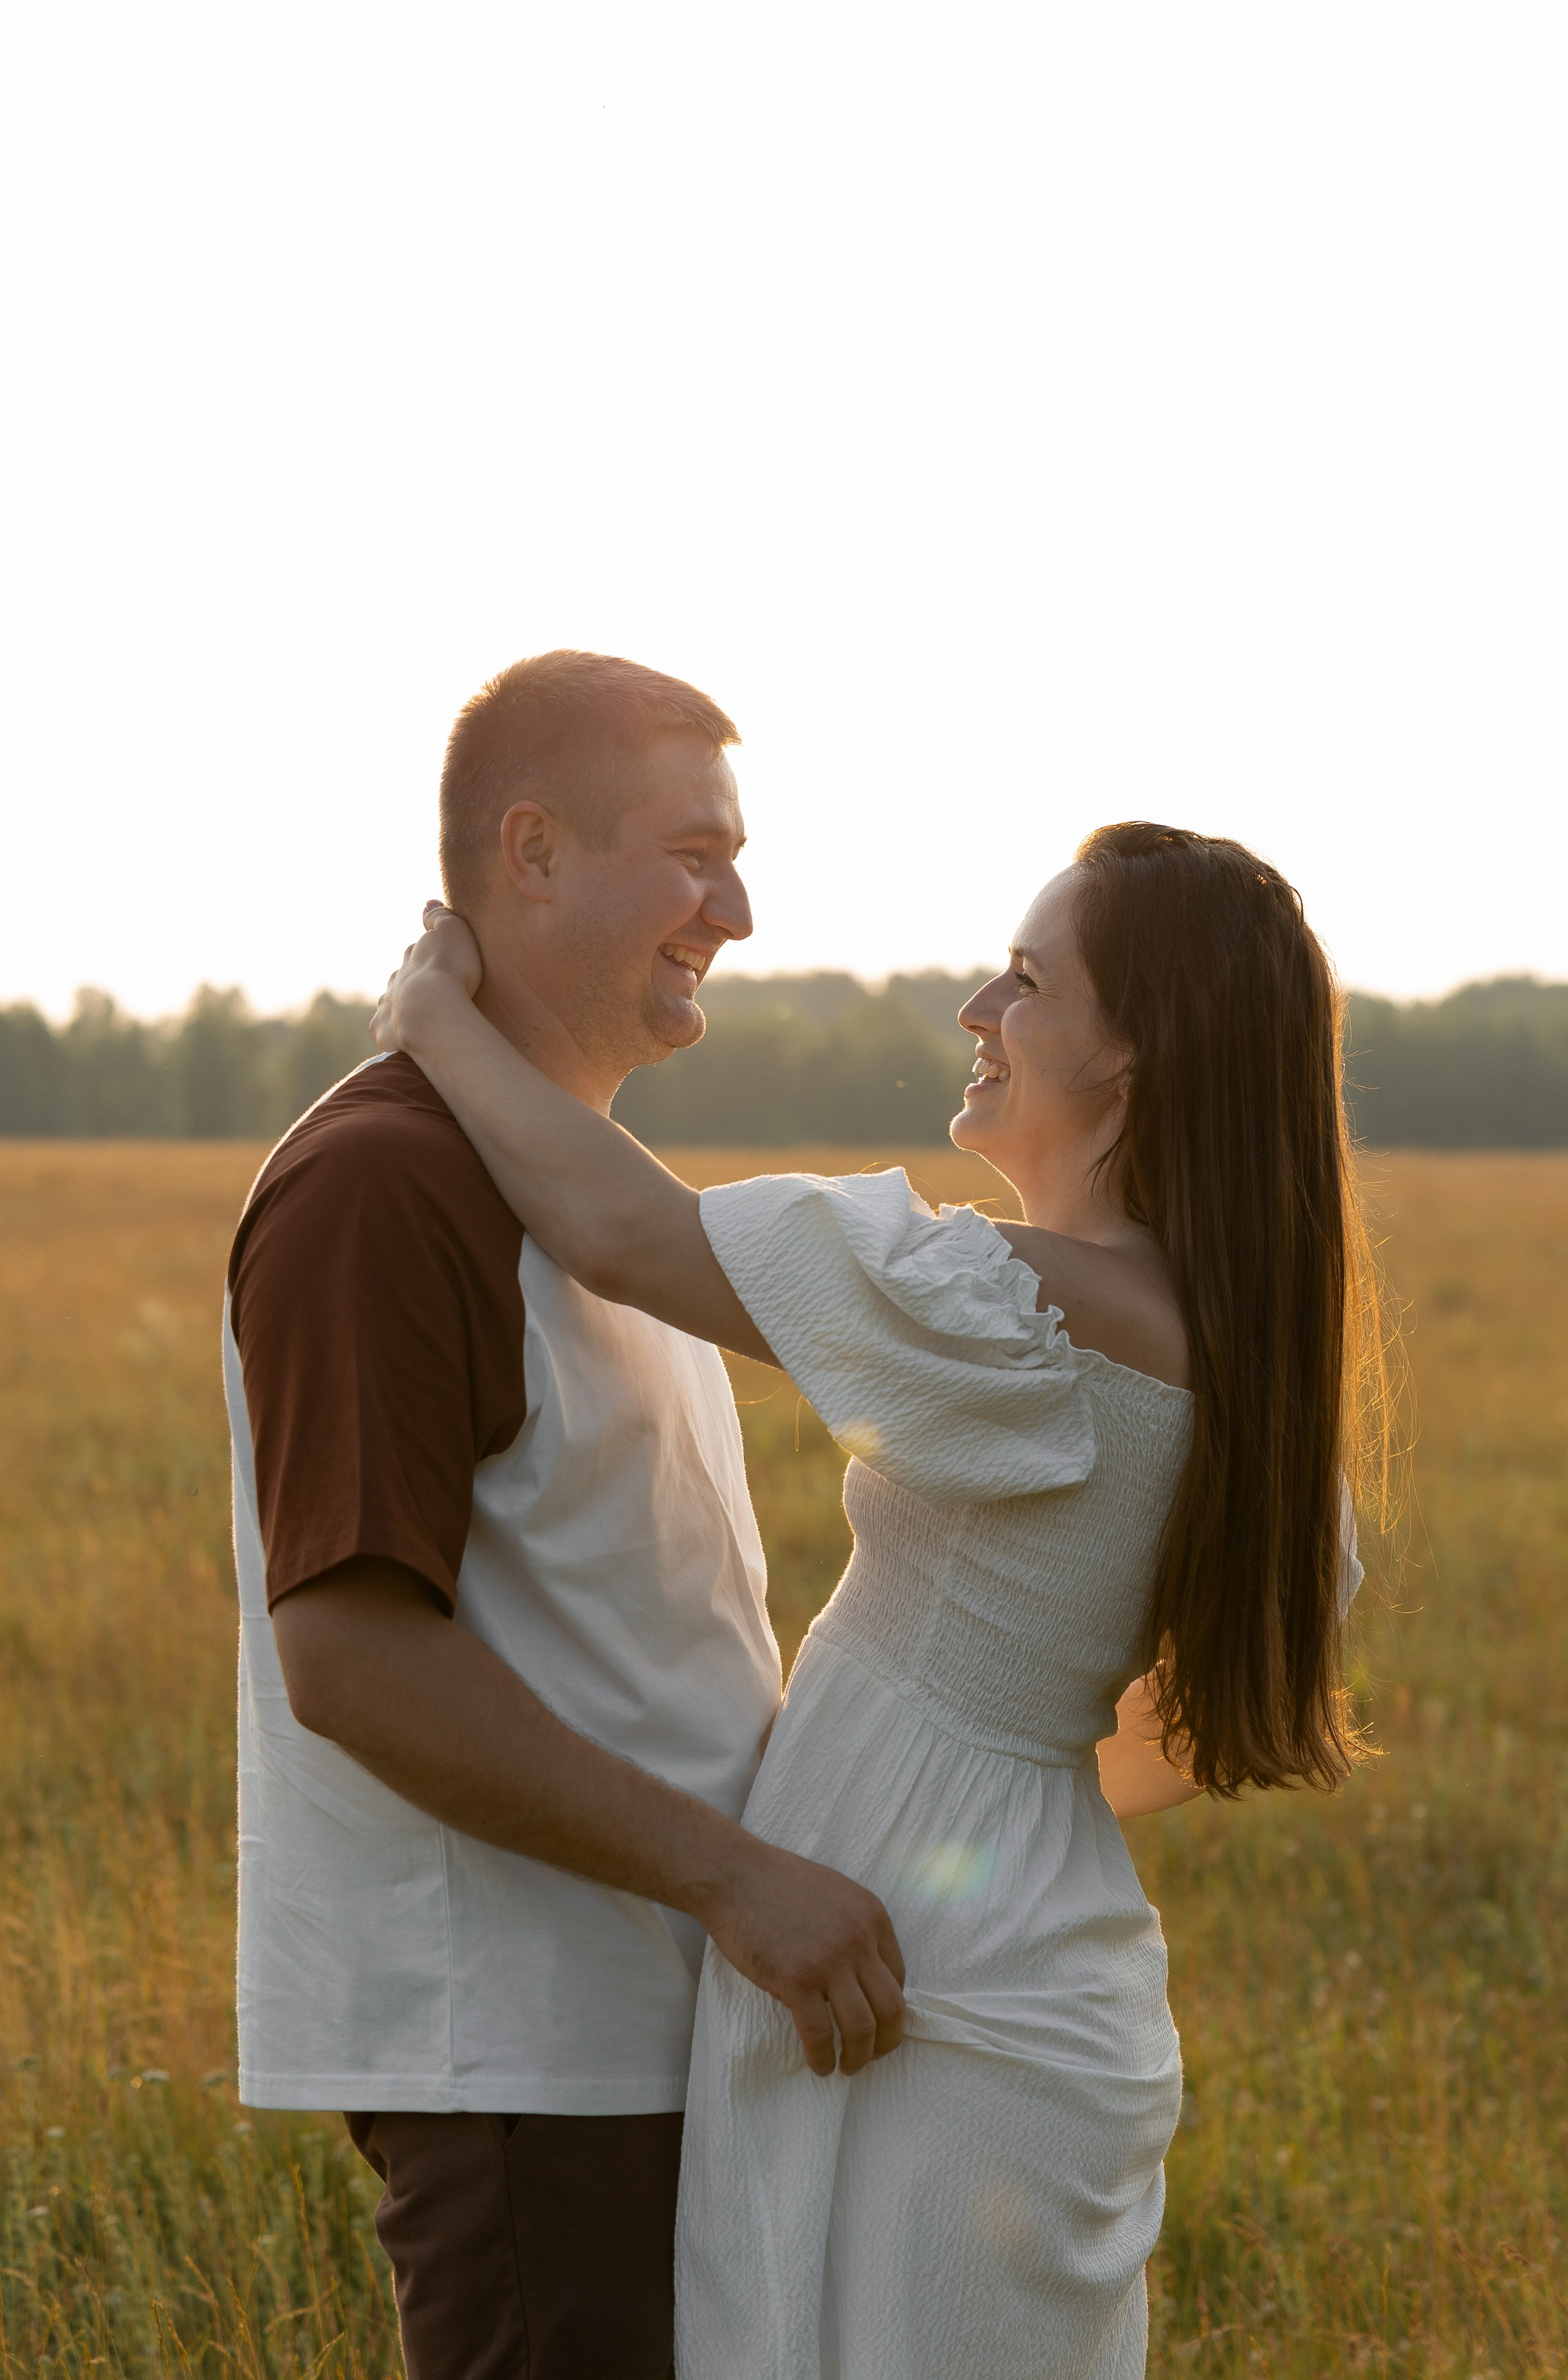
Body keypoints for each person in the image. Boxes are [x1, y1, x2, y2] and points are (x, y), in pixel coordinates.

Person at [372, 820, 1378, 2379]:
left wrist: (430, 1014)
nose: (976, 1011)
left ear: (1134, 1058)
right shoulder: (1242, 1362)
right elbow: (1189, 1724)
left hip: (927, 2007)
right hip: (1015, 1973)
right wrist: (998, 1766)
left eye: (1027, 983)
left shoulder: (1021, 1307)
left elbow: (620, 1229)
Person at [221, 650, 917, 2380]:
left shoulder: (588, 1199)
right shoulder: (385, 1183)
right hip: (526, 2070)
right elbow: (355, 1660)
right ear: (530, 854)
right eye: (693, 855)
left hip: (657, 2046)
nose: (736, 910)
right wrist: (734, 1877)